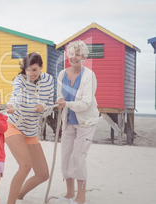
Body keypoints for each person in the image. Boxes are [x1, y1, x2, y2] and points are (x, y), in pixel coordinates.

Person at [5, 52, 55, 204]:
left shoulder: (49, 80)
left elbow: (50, 105)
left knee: (43, 174)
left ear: (41, 67)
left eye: (34, 69)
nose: (30, 73)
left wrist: (44, 108)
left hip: (31, 131)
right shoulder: (19, 80)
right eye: (27, 70)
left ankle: (19, 194)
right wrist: (12, 105)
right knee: (25, 165)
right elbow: (16, 95)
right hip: (13, 126)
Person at [55, 40, 99, 204]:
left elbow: (86, 103)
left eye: (78, 54)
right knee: (66, 156)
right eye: (72, 54)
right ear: (68, 55)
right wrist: (60, 100)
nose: (74, 57)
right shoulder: (61, 74)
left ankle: (81, 197)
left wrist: (66, 104)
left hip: (85, 122)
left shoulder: (89, 76)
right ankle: (69, 193)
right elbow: (60, 94)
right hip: (68, 122)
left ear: (84, 57)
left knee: (78, 158)